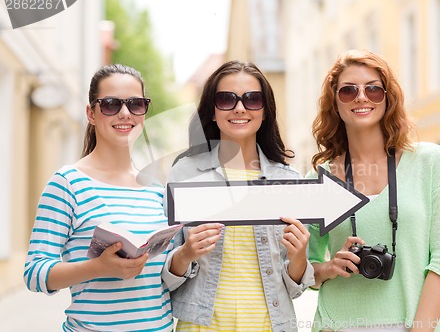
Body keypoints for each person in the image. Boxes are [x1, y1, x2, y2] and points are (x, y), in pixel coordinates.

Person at [306, 50, 440, 332]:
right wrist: (329, 268)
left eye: (374, 89)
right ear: (335, 103)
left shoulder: (430, 162)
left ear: (388, 97)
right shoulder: (323, 178)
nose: (361, 97)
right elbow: (304, 270)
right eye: (348, 90)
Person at [162, 60, 315, 331]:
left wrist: (299, 255)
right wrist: (185, 253)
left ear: (265, 111)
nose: (240, 108)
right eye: (226, 99)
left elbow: (296, 286)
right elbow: (163, 276)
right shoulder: (184, 175)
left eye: (252, 99)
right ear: (211, 111)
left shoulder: (288, 181)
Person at [24, 64, 175, 331]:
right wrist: (98, 267)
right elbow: (35, 274)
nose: (125, 113)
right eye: (110, 104)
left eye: (136, 104)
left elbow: (163, 276)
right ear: (91, 113)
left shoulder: (154, 188)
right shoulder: (67, 183)